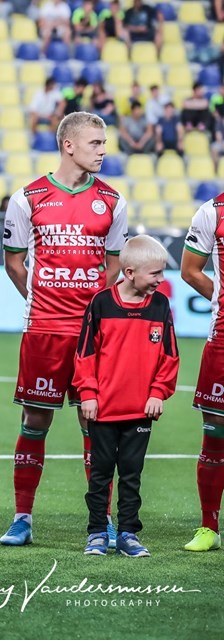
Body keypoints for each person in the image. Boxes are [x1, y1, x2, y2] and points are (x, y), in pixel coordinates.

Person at [0, 111, 129, 547]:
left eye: (104, 142)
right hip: (43, 330)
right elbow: (14, 262)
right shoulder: (28, 197)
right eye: (96, 143)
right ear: (68, 145)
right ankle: (22, 518)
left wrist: (93, 309)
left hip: (94, 335)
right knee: (34, 420)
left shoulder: (113, 201)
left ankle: (102, 520)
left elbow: (114, 265)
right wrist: (41, 300)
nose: (103, 150)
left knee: (97, 426)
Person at [75, 235, 178, 557]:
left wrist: (158, 392)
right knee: (101, 475)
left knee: (132, 475)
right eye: (155, 274)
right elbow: (85, 353)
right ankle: (96, 532)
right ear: (129, 271)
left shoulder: (160, 305)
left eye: (162, 273)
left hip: (141, 410)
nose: (161, 280)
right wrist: (88, 393)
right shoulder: (101, 303)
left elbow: (170, 356)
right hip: (103, 409)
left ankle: (129, 533)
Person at [180, 187, 224, 552]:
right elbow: (190, 270)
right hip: (222, 338)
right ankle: (209, 526)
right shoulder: (213, 211)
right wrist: (220, 298)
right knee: (215, 434)